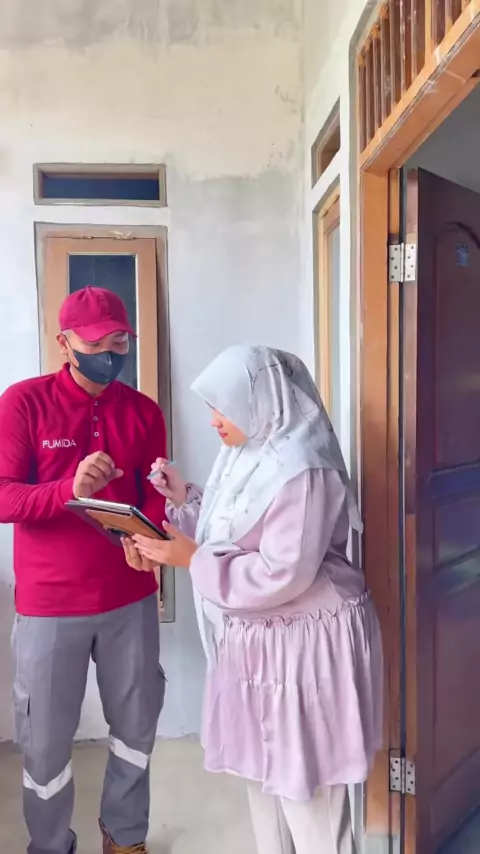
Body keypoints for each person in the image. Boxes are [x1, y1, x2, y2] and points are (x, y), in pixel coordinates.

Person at [125, 345, 383, 854]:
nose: (215, 421)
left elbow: (283, 571)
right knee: (266, 788)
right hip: (263, 646)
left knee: (309, 799)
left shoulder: (303, 468)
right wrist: (187, 499)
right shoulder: (247, 454)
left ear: (264, 399)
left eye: (223, 406)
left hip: (305, 646)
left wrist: (193, 560)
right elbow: (237, 530)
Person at [0, 286, 167, 854]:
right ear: (64, 343)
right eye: (95, 344)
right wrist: (67, 489)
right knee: (45, 743)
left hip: (129, 597)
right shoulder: (24, 403)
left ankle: (125, 837)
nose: (109, 354)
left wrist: (151, 541)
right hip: (50, 604)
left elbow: (154, 496)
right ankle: (51, 844)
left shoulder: (143, 410)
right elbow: (4, 497)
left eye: (119, 342)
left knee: (136, 728)